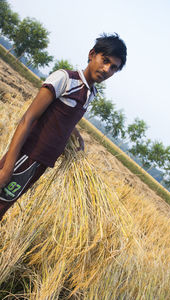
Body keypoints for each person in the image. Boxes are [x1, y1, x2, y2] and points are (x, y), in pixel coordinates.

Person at [0, 33, 127, 220]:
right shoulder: (66, 79)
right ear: (92, 54)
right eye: (105, 60)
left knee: (3, 208)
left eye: (113, 67)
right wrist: (7, 168)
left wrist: (76, 135)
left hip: (39, 164)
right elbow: (27, 119)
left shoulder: (90, 94)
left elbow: (62, 117)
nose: (107, 69)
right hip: (26, 157)